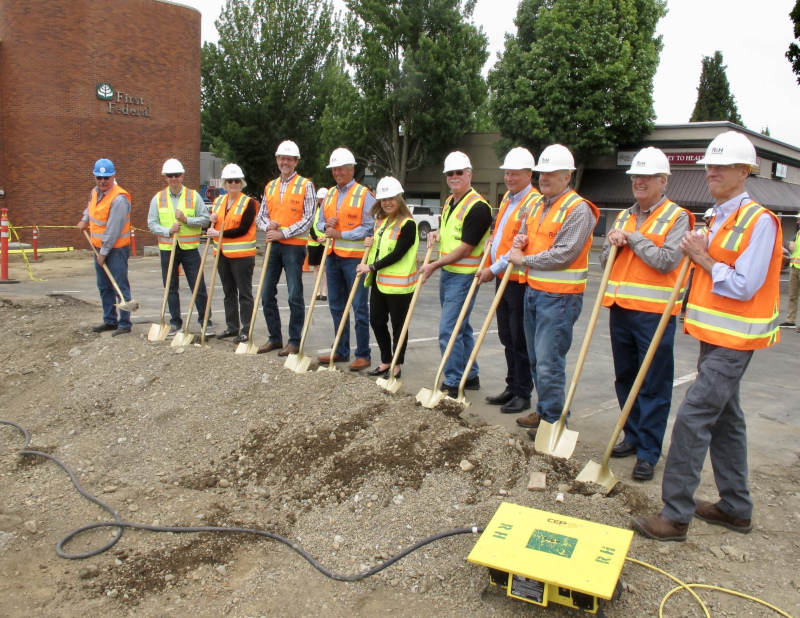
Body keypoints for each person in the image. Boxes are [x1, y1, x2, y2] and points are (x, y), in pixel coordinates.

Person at [633, 131, 782, 542]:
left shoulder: (759, 221)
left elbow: (742, 285)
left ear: (744, 171)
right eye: (709, 167)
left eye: (722, 166)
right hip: (712, 337)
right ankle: (735, 508)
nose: (712, 172)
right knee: (726, 421)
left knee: (693, 417)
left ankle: (675, 516)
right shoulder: (716, 217)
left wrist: (700, 255)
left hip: (736, 341)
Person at [599, 148, 694, 481]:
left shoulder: (677, 217)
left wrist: (634, 238)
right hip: (621, 309)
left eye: (645, 177)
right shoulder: (624, 216)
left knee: (653, 383)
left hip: (654, 313)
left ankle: (649, 452)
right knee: (625, 378)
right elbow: (604, 264)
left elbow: (667, 260)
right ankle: (633, 436)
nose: (638, 182)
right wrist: (612, 243)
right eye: (635, 177)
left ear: (662, 181)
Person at [508, 144, 599, 438]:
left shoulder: (578, 209)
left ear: (567, 177)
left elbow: (564, 254)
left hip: (560, 297)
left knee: (549, 362)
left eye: (551, 173)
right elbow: (527, 234)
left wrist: (526, 259)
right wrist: (521, 239)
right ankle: (546, 410)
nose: (543, 178)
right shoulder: (538, 205)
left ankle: (554, 422)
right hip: (535, 292)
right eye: (541, 173)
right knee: (536, 359)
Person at [419, 152, 493, 398]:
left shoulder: (479, 207)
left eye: (459, 172)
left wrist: (433, 265)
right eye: (450, 173)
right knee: (461, 327)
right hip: (450, 274)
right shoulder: (451, 201)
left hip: (463, 276)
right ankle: (470, 375)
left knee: (449, 329)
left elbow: (466, 248)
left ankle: (452, 382)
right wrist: (436, 233)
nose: (454, 177)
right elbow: (452, 232)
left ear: (469, 174)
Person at [475, 147, 541, 413]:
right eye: (507, 173)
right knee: (506, 336)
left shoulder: (533, 202)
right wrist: (490, 249)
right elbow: (503, 234)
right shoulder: (507, 199)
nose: (510, 177)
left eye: (516, 173)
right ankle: (511, 386)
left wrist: (494, 267)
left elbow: (521, 246)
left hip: (518, 280)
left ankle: (522, 392)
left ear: (529, 174)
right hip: (503, 276)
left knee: (519, 339)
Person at [316, 148, 376, 371]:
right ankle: (340, 350)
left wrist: (341, 234)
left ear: (352, 169)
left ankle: (363, 354)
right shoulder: (330, 194)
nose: (337, 172)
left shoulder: (364, 195)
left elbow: (370, 227)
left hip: (354, 260)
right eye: (334, 169)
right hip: (332, 257)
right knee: (336, 307)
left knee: (359, 307)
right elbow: (319, 222)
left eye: (341, 168)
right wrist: (325, 226)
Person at [355, 177, 419, 379]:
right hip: (380, 283)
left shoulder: (408, 224)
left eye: (391, 198)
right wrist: (369, 242)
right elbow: (379, 249)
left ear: (399, 198)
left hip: (400, 286)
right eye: (383, 200)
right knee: (376, 321)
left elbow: (398, 253)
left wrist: (371, 266)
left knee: (399, 327)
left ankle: (396, 365)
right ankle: (385, 360)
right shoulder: (381, 223)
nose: (387, 203)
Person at [256, 141, 315, 357]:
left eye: (289, 159)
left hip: (294, 247)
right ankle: (274, 338)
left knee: (294, 295)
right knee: (266, 293)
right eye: (281, 158)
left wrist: (284, 232)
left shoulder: (305, 185)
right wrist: (267, 225)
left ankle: (294, 340)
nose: (285, 162)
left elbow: (309, 218)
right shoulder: (270, 186)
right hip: (273, 246)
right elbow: (261, 216)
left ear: (296, 161)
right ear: (277, 159)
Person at [146, 158, 213, 338]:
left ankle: (206, 322)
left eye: (176, 175)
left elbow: (205, 219)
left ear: (182, 176)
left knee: (198, 286)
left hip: (189, 249)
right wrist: (167, 230)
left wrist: (186, 220)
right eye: (170, 175)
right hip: (168, 248)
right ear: (165, 178)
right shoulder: (158, 199)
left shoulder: (193, 196)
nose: (174, 178)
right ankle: (175, 322)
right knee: (170, 287)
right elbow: (152, 224)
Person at [77, 158, 133, 337]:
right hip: (98, 248)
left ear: (113, 176)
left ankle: (124, 323)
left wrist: (103, 253)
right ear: (95, 177)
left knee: (119, 286)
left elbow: (113, 229)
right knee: (104, 286)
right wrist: (85, 219)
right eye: (99, 177)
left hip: (115, 250)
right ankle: (110, 320)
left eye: (106, 178)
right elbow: (90, 208)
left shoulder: (119, 199)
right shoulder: (95, 192)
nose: (102, 181)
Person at [206, 163, 258, 344]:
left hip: (242, 256)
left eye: (236, 180)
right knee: (228, 292)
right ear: (224, 183)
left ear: (241, 182)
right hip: (221, 254)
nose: (233, 183)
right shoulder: (218, 202)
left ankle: (246, 329)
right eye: (229, 181)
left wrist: (219, 234)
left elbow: (243, 229)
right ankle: (232, 327)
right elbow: (214, 224)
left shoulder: (249, 203)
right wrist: (211, 220)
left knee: (244, 293)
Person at [307, 187, 329, 301]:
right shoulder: (313, 211)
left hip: (326, 243)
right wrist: (317, 238)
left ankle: (324, 290)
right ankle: (317, 290)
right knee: (316, 267)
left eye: (323, 198)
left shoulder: (330, 210)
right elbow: (310, 226)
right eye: (320, 198)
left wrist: (325, 238)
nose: (321, 201)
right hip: (314, 243)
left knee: (324, 268)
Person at [779, 212, 800, 329]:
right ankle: (790, 320)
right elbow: (788, 244)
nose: (797, 221)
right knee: (793, 296)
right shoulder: (798, 233)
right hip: (795, 268)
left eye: (799, 219)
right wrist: (789, 243)